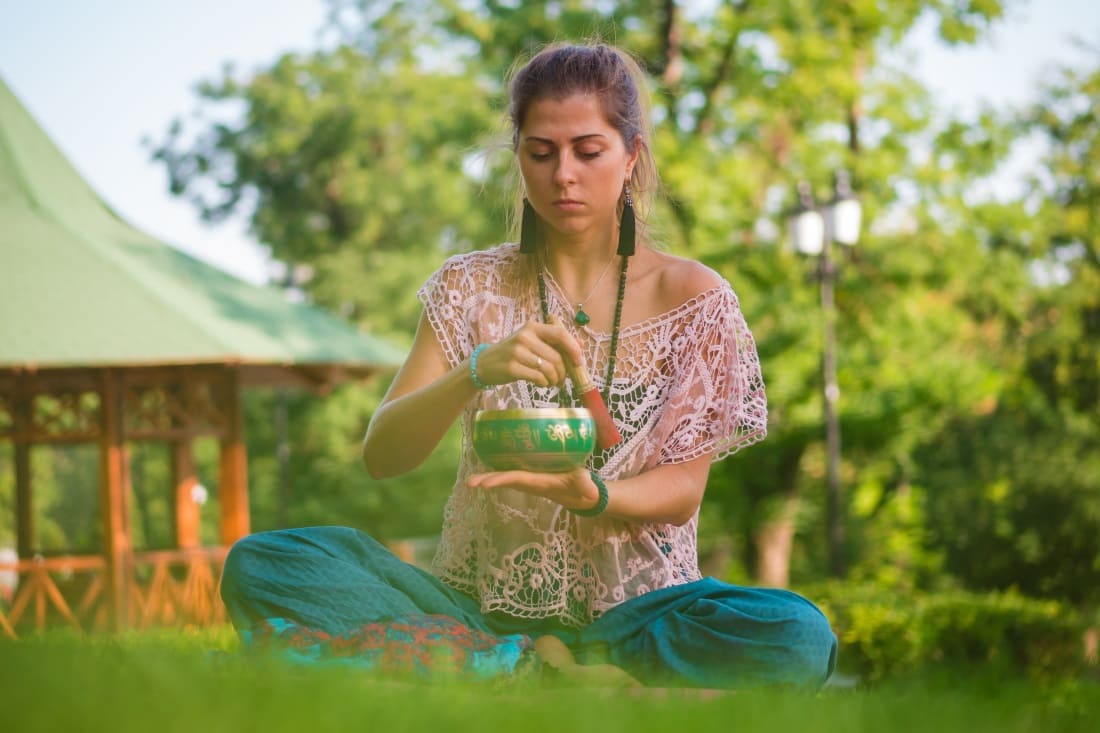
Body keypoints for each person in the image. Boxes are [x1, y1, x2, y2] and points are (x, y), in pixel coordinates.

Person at [221, 42, 837, 689]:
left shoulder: (695, 297)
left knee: (798, 633)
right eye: (540, 153)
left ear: (631, 156)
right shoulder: (468, 286)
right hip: (476, 611)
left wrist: (595, 495)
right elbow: (383, 454)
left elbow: (683, 489)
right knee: (266, 560)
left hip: (642, 617)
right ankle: (530, 668)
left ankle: (475, 670)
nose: (563, 174)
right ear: (518, 157)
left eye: (587, 151)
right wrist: (475, 371)